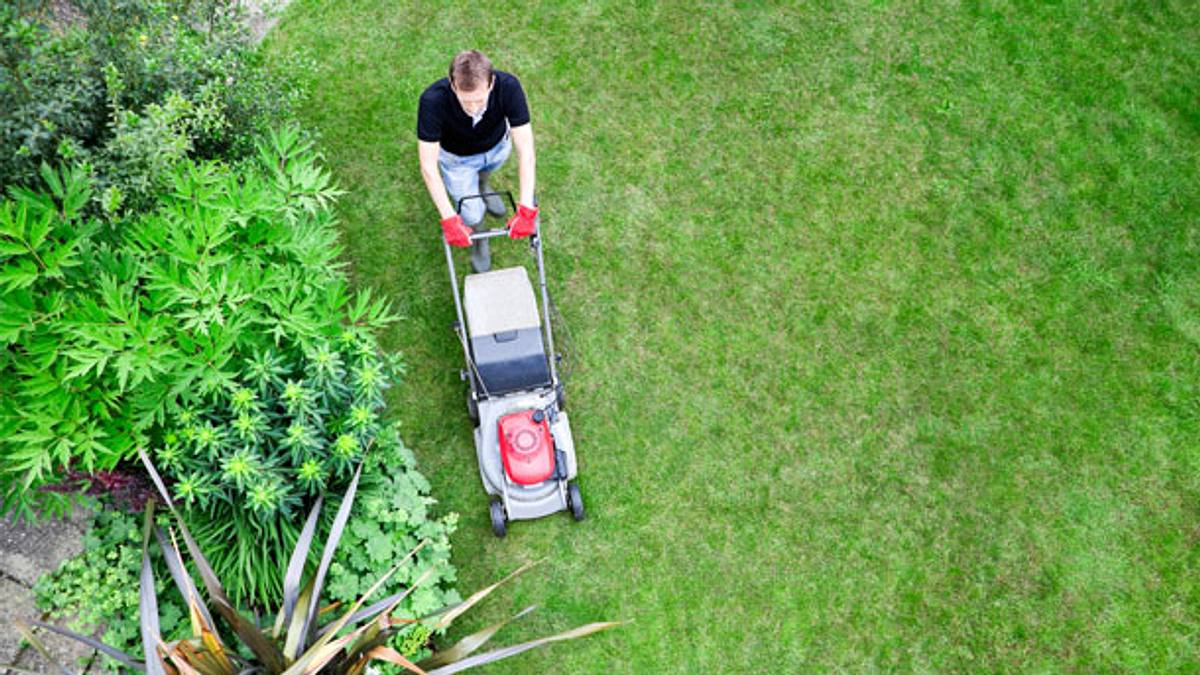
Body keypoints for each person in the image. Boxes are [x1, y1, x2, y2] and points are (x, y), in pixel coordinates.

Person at [417, 50, 539, 273]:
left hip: (496, 148)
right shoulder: (432, 101)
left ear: (491, 84)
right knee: (471, 212)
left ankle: (483, 185)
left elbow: (526, 152)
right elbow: (427, 166)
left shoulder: (509, 87)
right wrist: (449, 219)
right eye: (466, 101)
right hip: (457, 161)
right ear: (454, 86)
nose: (473, 107)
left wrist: (526, 209)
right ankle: (480, 237)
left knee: (489, 169)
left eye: (479, 100)